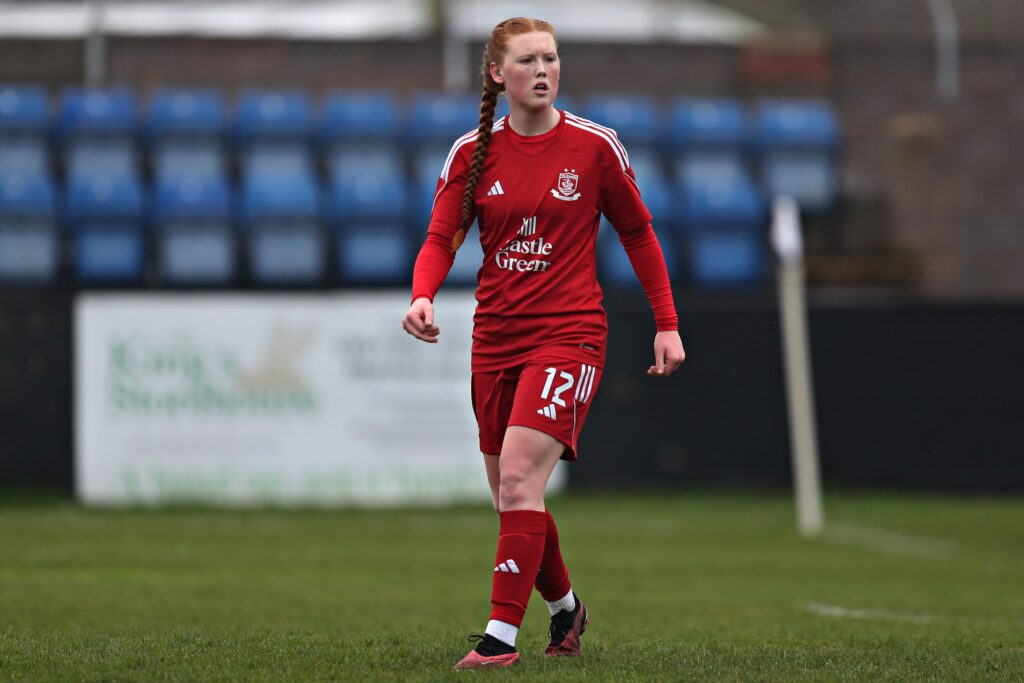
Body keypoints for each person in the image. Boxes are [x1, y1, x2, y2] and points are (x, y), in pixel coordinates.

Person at [402, 16, 685, 670]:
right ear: (497, 73)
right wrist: (422, 293)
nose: (543, 70)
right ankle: (566, 609)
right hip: (494, 338)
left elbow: (639, 233)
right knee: (511, 494)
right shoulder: (470, 153)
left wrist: (666, 322)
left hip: (569, 334)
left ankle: (500, 636)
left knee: (524, 478)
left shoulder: (594, 147)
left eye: (551, 58)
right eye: (528, 60)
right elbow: (441, 237)